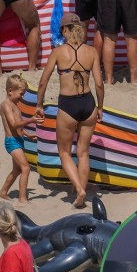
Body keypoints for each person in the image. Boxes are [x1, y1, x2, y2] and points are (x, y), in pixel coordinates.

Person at [37, 12, 104, 208]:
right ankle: (79, 194)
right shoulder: (92, 52)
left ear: (66, 30)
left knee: (64, 152)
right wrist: (100, 107)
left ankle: (79, 189)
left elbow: (43, 82)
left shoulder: (58, 52)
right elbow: (99, 84)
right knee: (83, 152)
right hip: (88, 103)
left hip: (68, 105)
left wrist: (39, 105)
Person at [0, 75, 36, 205]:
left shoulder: (14, 104)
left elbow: (17, 127)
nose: (22, 97)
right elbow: (13, 124)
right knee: (26, 168)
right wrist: (31, 120)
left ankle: (3, 192)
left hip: (18, 139)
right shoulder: (6, 105)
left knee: (17, 170)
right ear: (10, 91)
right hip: (12, 142)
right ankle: (22, 198)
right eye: (21, 93)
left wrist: (27, 134)